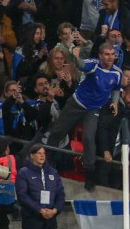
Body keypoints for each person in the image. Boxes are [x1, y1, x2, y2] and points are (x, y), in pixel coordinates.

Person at [45, 43, 122, 190]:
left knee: (88, 138)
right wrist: (76, 57)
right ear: (100, 56)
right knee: (58, 132)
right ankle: (47, 162)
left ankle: (89, 174)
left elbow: (117, 89)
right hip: (77, 103)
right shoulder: (93, 65)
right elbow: (81, 65)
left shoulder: (117, 73)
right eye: (107, 54)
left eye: (112, 54)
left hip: (94, 109)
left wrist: (115, 102)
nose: (110, 57)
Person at [15, 145, 64, 229]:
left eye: (44, 153)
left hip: (50, 219)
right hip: (32, 218)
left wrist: (55, 210)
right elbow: (22, 195)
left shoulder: (53, 173)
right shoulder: (24, 172)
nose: (42, 156)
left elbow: (61, 195)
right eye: (38, 153)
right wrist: (39, 210)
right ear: (31, 155)